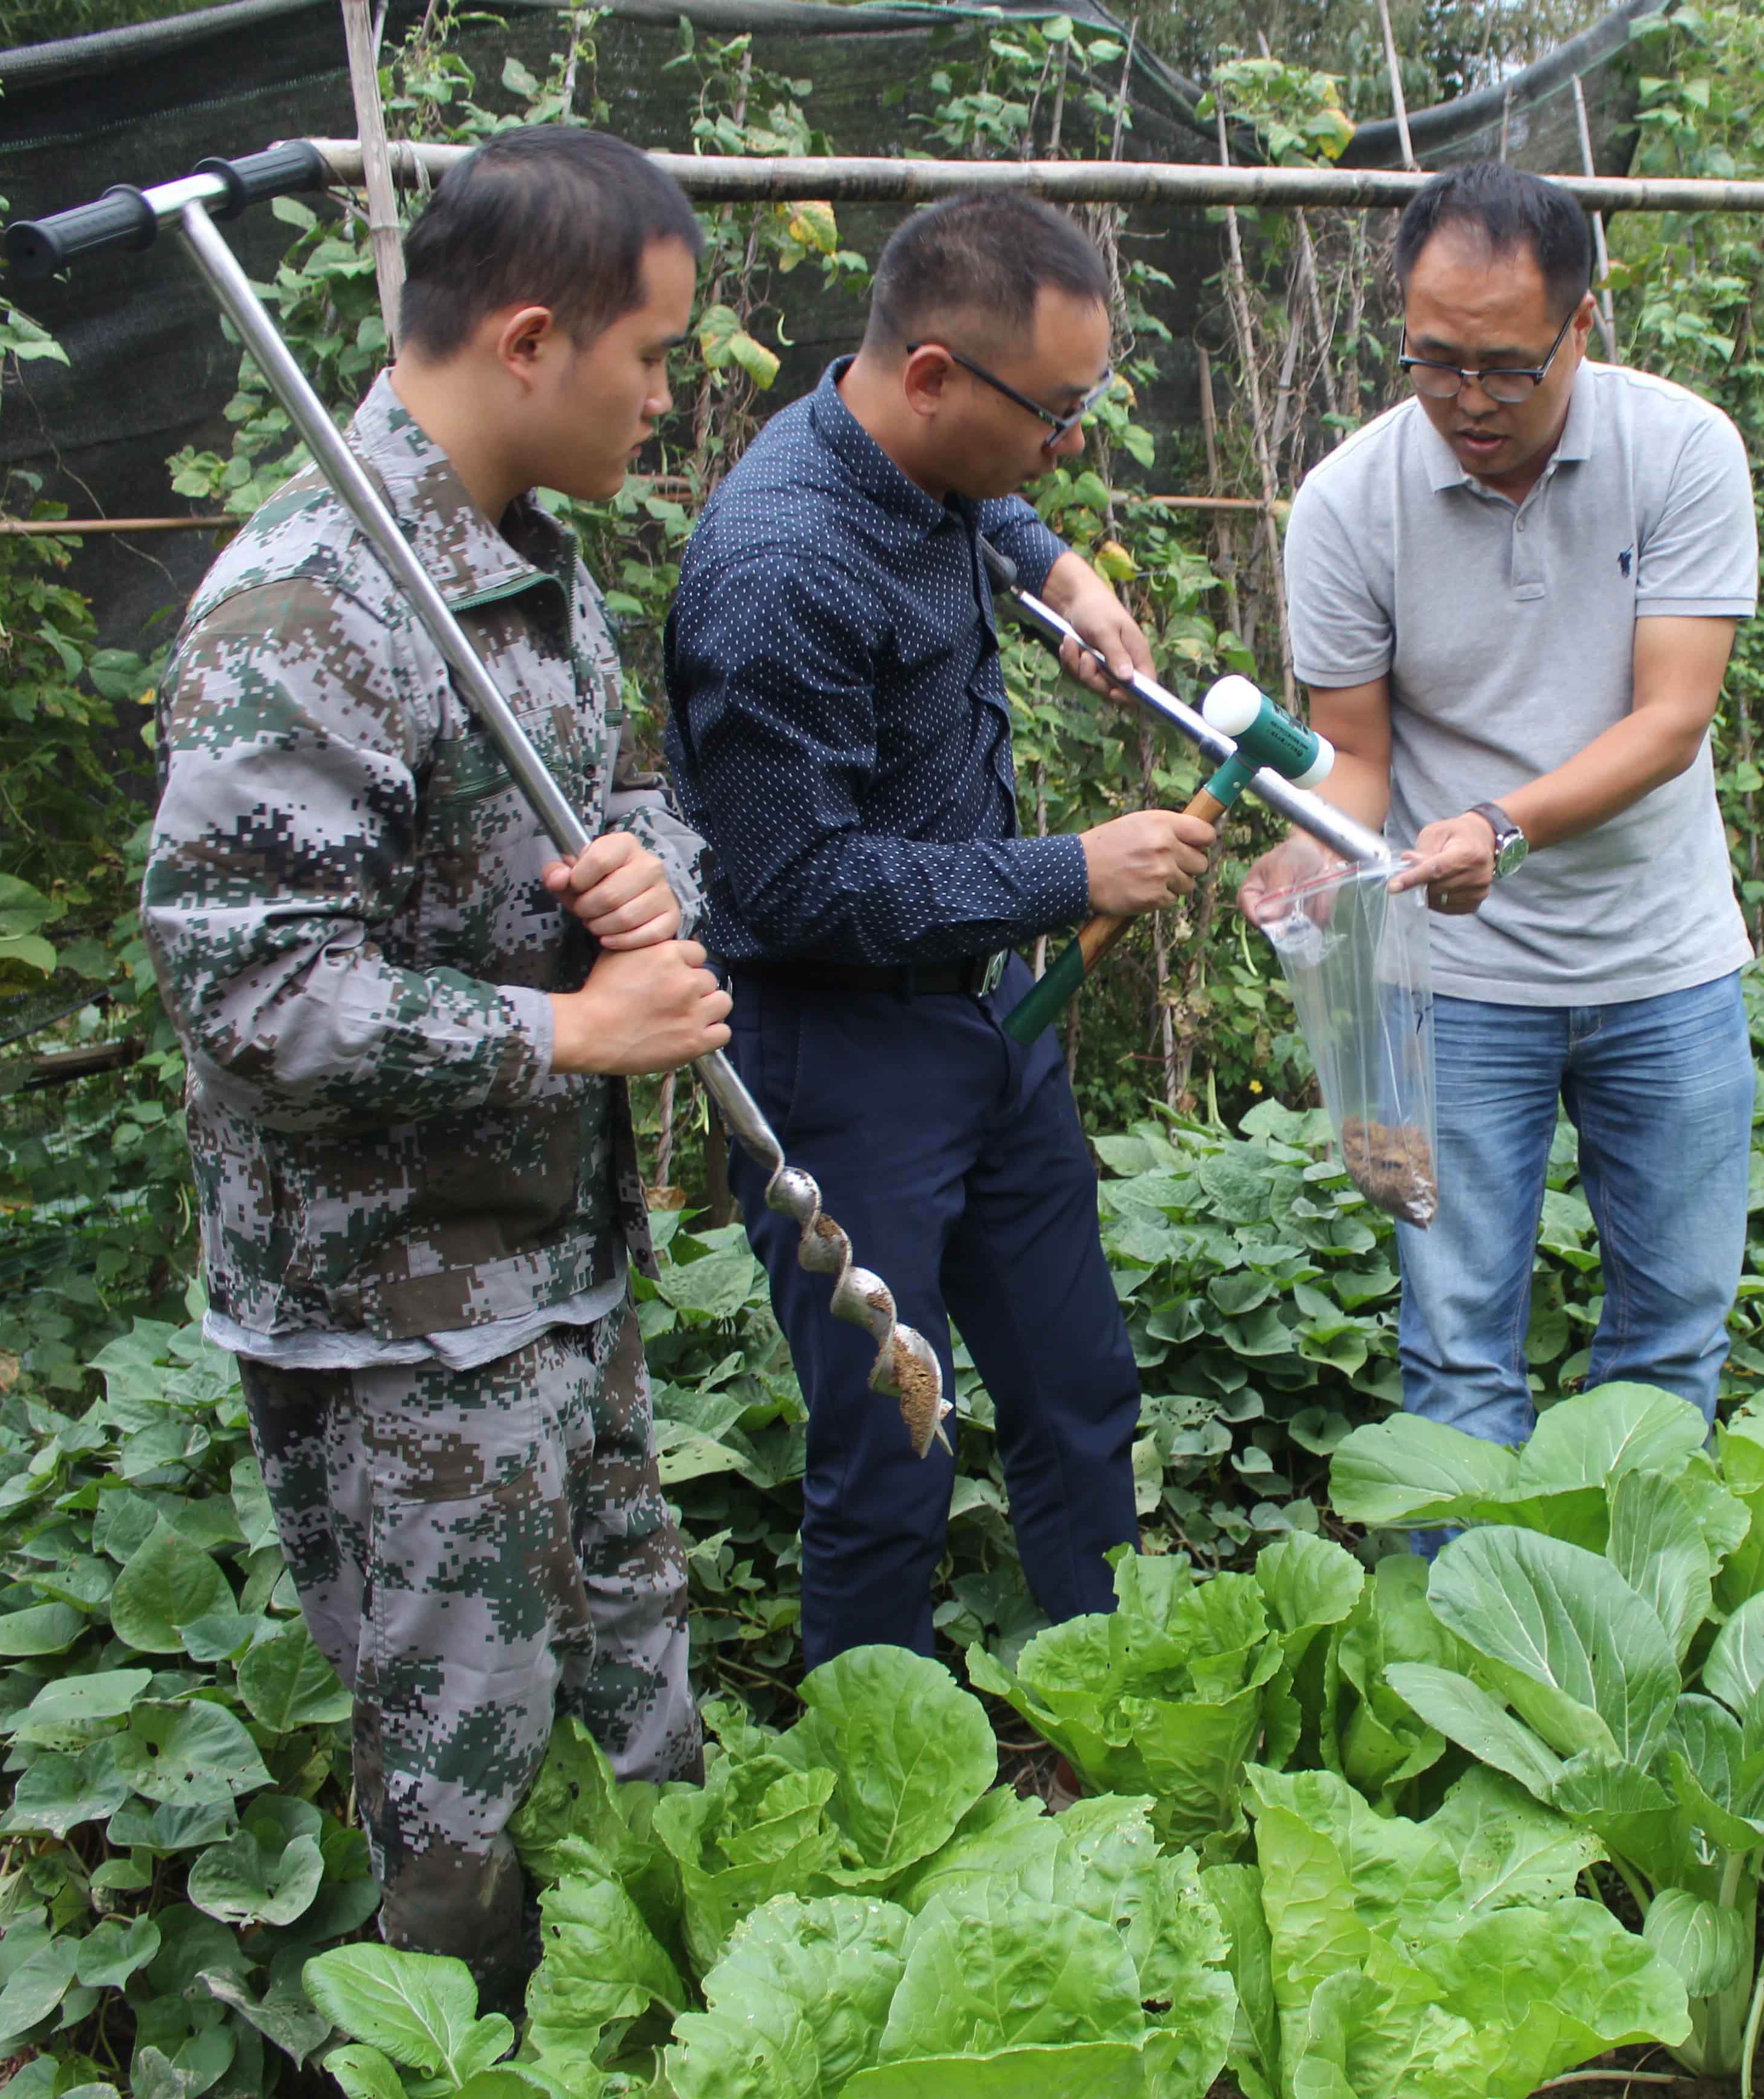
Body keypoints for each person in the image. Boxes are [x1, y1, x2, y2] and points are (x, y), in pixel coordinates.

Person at [140, 126, 723, 2010]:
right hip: (398, 1333)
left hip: (555, 1276)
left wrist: (652, 871)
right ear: (534, 341)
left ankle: (671, 2030)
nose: (666, 400)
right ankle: (458, 2050)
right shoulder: (313, 605)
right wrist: (569, 1031)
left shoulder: (532, 569)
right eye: (653, 358)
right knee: (464, 1800)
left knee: (641, 1710)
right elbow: (249, 992)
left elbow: (631, 802)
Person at [665, 195, 1193, 1664]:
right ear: (935, 377)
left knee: (1077, 1386)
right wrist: (1071, 873)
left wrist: (1057, 571)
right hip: (838, 1058)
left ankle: (1116, 1697)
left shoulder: (921, 451)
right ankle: (876, 1765)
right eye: (1056, 414)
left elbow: (988, 497)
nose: (1070, 446)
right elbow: (797, 884)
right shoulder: (781, 568)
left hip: (988, 1024)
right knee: (896, 1446)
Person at [1248, 161, 1761, 1455]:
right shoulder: (1348, 503)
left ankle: (1633, 1578)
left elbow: (1672, 718)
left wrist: (1504, 828)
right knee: (1459, 1342)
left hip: (1663, 961)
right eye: (1434, 361)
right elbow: (1356, 754)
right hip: (1458, 984)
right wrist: (1314, 845)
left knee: (1675, 1326)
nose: (1468, 400)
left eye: (1506, 367)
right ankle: (1478, 1591)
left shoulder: (1682, 451)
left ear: (1581, 323)